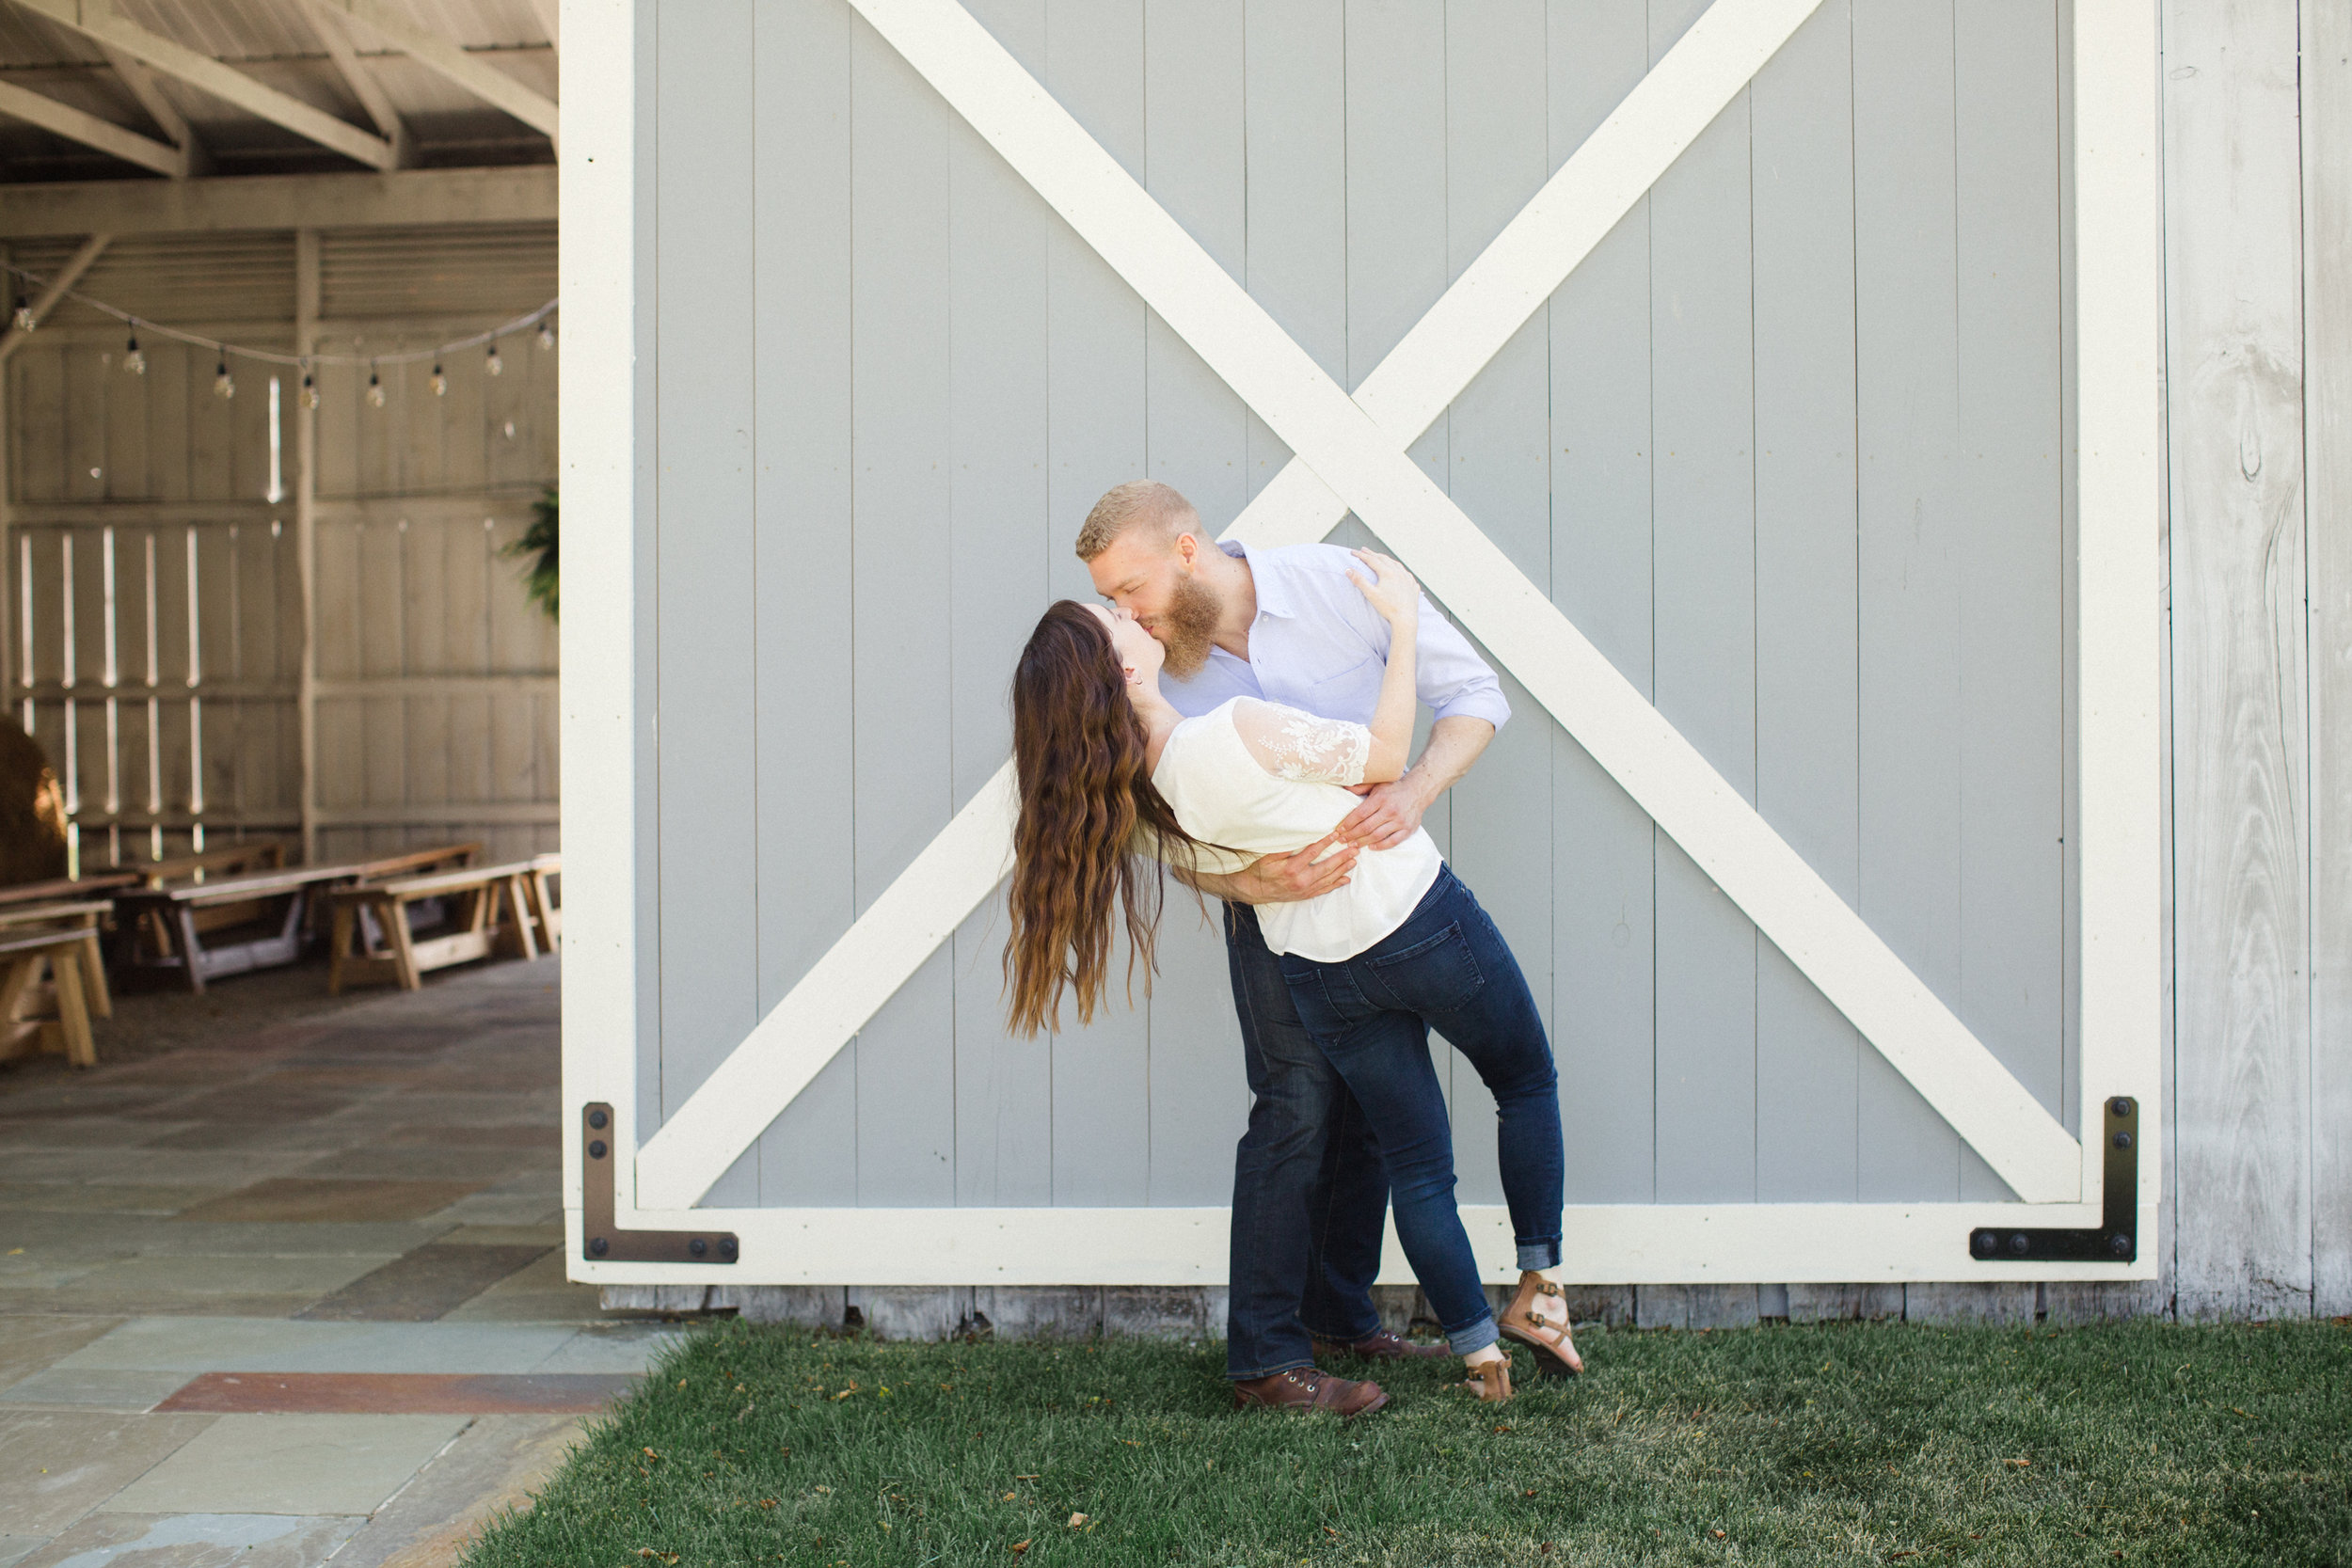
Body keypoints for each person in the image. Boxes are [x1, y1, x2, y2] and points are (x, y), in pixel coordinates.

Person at [1005, 481, 1581, 1407]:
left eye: (1128, 588)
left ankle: (1342, 1320)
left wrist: (1413, 791)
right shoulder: (1151, 668)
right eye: (1109, 603)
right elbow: (1145, 821)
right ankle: (1267, 1358)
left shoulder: (1332, 585)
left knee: (1365, 1119)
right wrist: (1247, 881)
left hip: (1382, 890)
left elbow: (1474, 696)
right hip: (1273, 913)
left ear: (1187, 550)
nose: (1123, 611)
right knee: (1296, 1108)